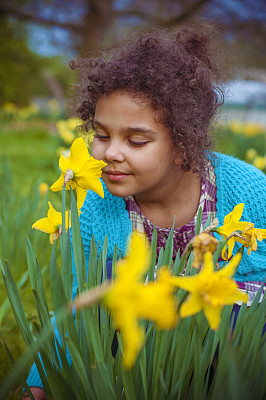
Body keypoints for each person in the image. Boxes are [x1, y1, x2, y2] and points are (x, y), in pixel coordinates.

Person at [24, 24, 266, 399]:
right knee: (103, 282)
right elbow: (79, 307)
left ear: (184, 145)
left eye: (136, 140)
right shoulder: (99, 204)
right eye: (102, 135)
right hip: (144, 360)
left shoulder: (247, 189)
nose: (111, 153)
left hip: (231, 355)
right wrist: (39, 385)